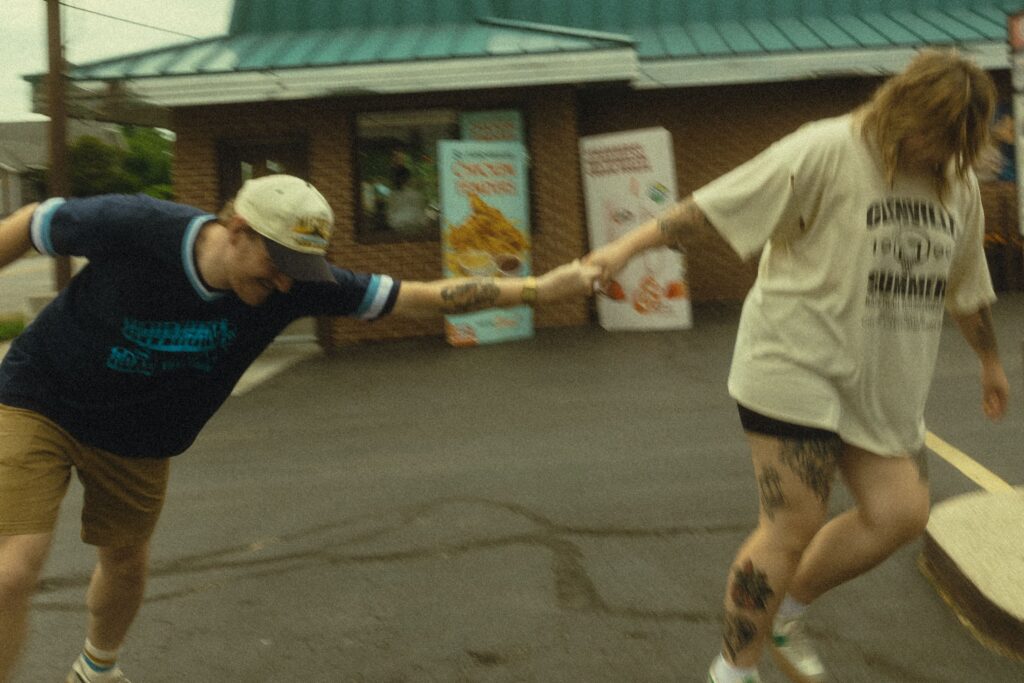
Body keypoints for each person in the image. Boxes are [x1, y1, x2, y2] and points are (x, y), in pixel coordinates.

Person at [0, 174, 598, 683]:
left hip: (140, 434)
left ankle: (97, 668)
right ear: (236, 228)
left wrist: (538, 290)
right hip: (43, 395)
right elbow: (32, 222)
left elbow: (419, 296)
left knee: (126, 559)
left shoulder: (297, 286)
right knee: (12, 569)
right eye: (276, 261)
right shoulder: (134, 224)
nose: (285, 283)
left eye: (298, 269)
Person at [585, 50, 1009, 683]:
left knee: (900, 512)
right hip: (793, 359)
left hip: (882, 377)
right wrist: (624, 247)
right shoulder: (828, 149)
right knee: (793, 521)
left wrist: (990, 362)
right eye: (929, 132)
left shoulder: (957, 186)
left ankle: (786, 611)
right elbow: (713, 206)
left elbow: (966, 286)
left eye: (951, 140)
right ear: (903, 108)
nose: (932, 149)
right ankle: (734, 670)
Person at [385, 165, 431, 232]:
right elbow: (422, 218)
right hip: (414, 231)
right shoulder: (416, 195)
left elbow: (390, 218)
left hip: (398, 231)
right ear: (409, 179)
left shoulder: (393, 195)